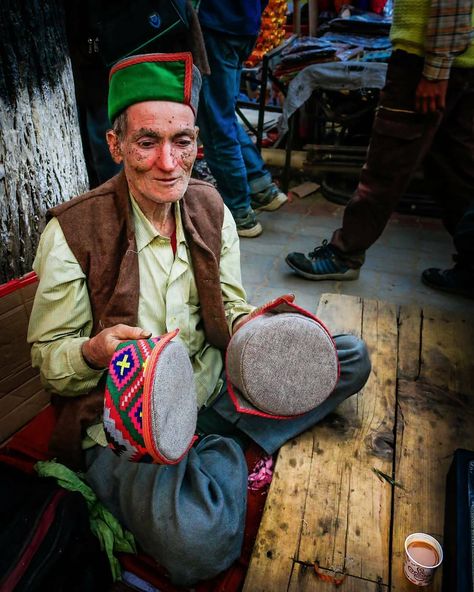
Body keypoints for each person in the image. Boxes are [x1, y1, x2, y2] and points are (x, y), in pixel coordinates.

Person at [27, 53, 370, 586]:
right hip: (126, 429)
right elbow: (50, 364)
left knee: (344, 357)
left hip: (211, 389)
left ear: (197, 144)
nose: (168, 163)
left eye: (181, 141)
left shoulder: (211, 208)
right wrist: (94, 351)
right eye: (147, 142)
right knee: (200, 543)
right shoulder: (73, 234)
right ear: (116, 145)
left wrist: (251, 327)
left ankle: (210, 447)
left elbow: (231, 306)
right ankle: (225, 452)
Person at [286, 0, 474, 299]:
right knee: (455, 166)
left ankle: (344, 253)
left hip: (423, 61)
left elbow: (451, 4)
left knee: (386, 165)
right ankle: (471, 264)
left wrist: (435, 71)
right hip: (455, 62)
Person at [196, 0, 288, 238]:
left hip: (218, 25)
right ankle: (261, 186)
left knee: (215, 124)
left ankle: (239, 212)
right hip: (243, 24)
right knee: (221, 115)